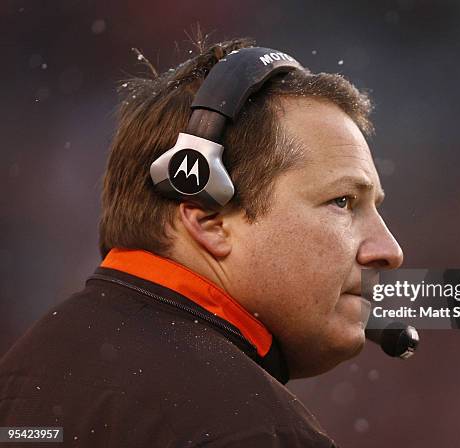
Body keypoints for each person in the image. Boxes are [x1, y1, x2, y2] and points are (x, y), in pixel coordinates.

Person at [0, 36, 403, 447]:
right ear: (209, 219)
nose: (389, 250)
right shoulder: (256, 430)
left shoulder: (19, 382)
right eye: (343, 202)